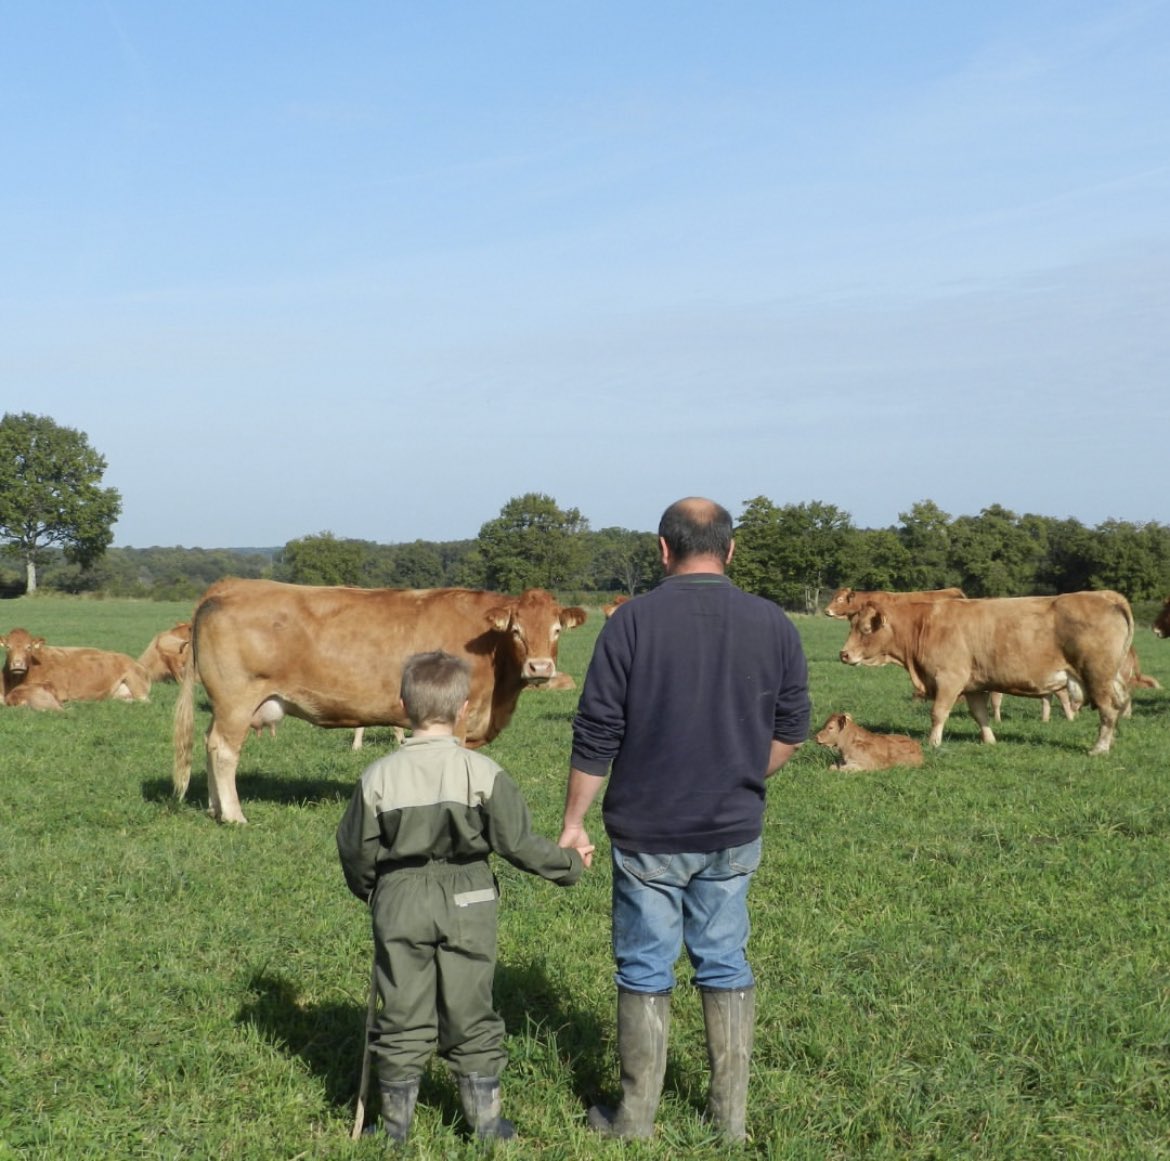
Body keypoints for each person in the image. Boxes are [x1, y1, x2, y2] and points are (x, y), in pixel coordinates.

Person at [559, 497, 811, 1141]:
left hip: (646, 831)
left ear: (663, 550)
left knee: (644, 967)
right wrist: (744, 775)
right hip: (733, 827)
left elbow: (596, 733)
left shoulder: (631, 622)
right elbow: (792, 730)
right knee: (725, 962)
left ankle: (634, 1121)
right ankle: (729, 1125)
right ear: (730, 550)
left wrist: (573, 822)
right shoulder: (774, 622)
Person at [337, 650, 593, 1144]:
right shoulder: (485, 772)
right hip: (470, 895)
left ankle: (394, 1130)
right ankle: (486, 1124)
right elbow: (516, 843)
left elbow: (354, 849)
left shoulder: (377, 776)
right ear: (463, 708)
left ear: (402, 706)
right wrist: (567, 867)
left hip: (399, 897)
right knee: (471, 1006)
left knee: (402, 1010)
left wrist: (374, 892)